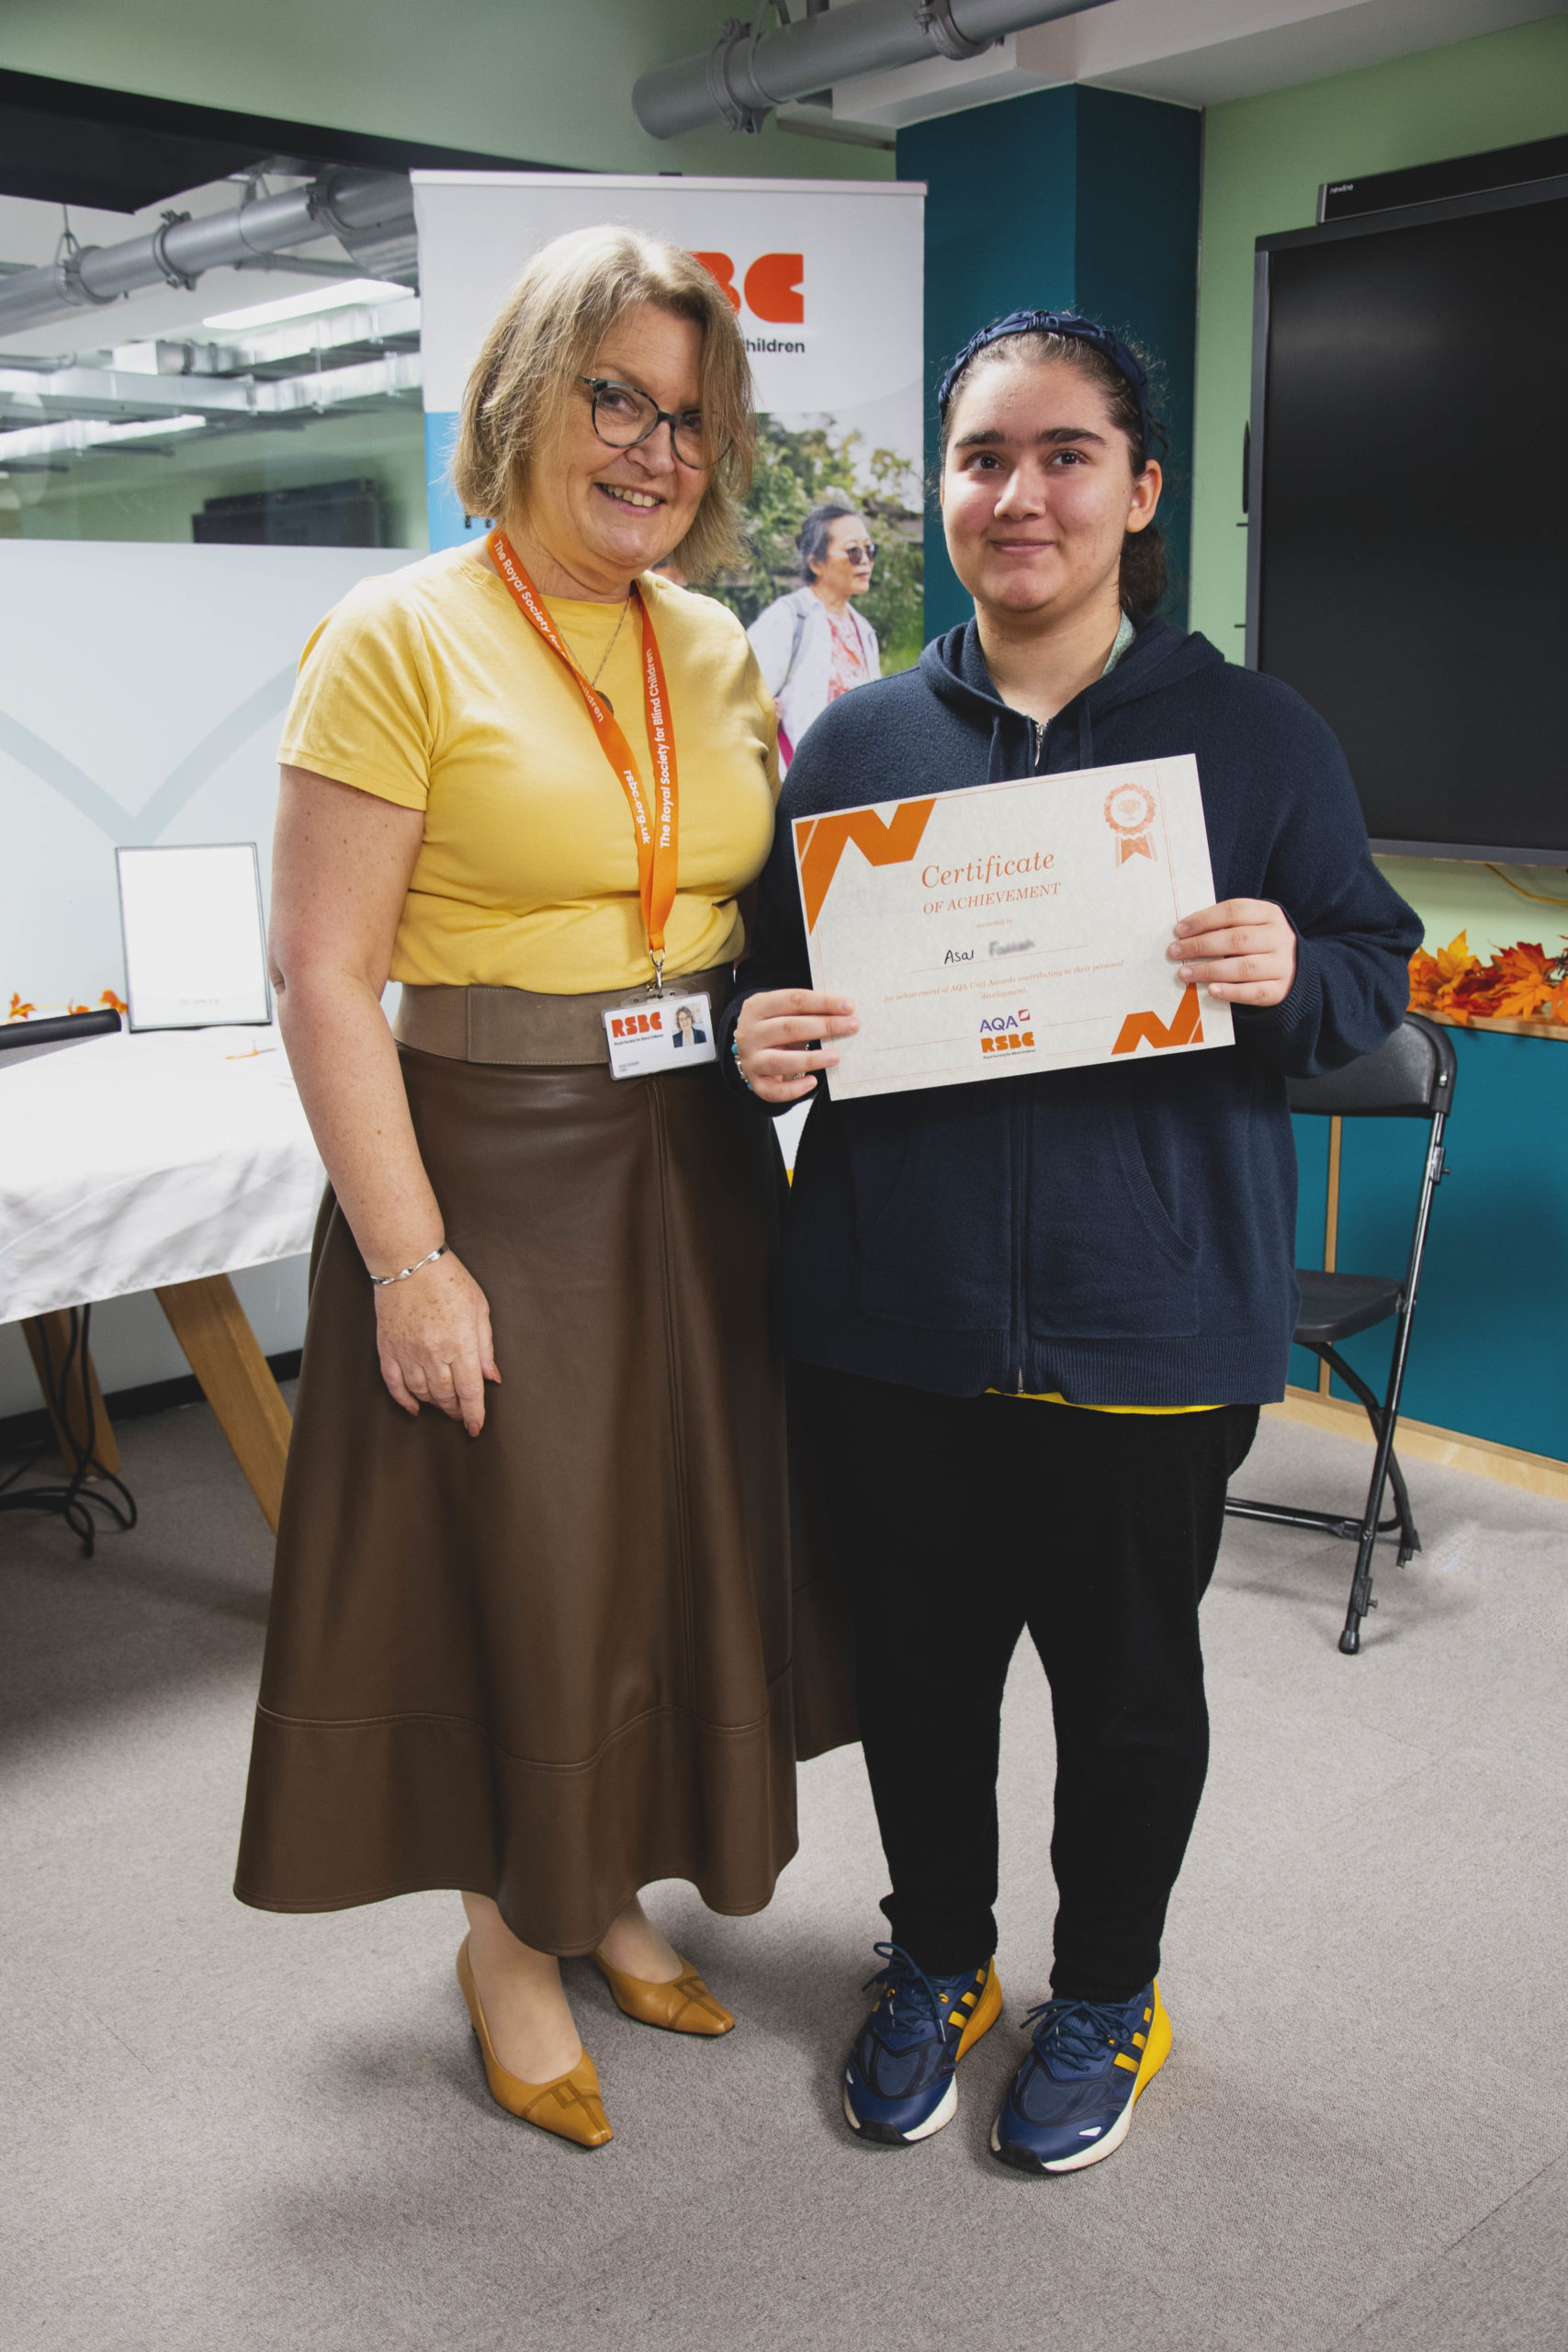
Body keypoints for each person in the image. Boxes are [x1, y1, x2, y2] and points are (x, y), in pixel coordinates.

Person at [724, 309, 1421, 2174]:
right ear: (938, 488)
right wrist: (755, 1033)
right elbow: (764, 988)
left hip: (1146, 1318)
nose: (1013, 494)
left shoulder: (1254, 734)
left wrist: (1296, 969)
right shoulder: (857, 739)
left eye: (1059, 455)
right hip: (894, 1320)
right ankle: (937, 1955)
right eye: (978, 458)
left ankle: (1105, 1979)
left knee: (1125, 1693)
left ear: (1137, 488)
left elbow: (1373, 966)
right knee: (919, 1677)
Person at [235, 225, 852, 2152]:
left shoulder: (709, 644)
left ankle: (602, 1882)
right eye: (614, 397)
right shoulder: (399, 632)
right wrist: (406, 1255)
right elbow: (324, 969)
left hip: (695, 1151)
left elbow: (752, 914)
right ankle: (507, 1933)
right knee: (531, 1556)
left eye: (687, 415)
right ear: (524, 395)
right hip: (488, 1154)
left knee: (670, 1542)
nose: (653, 448)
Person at [747, 498, 881, 767]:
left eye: (870, 550)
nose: (865, 560)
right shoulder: (788, 618)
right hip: (796, 783)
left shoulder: (863, 629)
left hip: (853, 785)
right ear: (816, 563)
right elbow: (742, 702)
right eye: (853, 552)